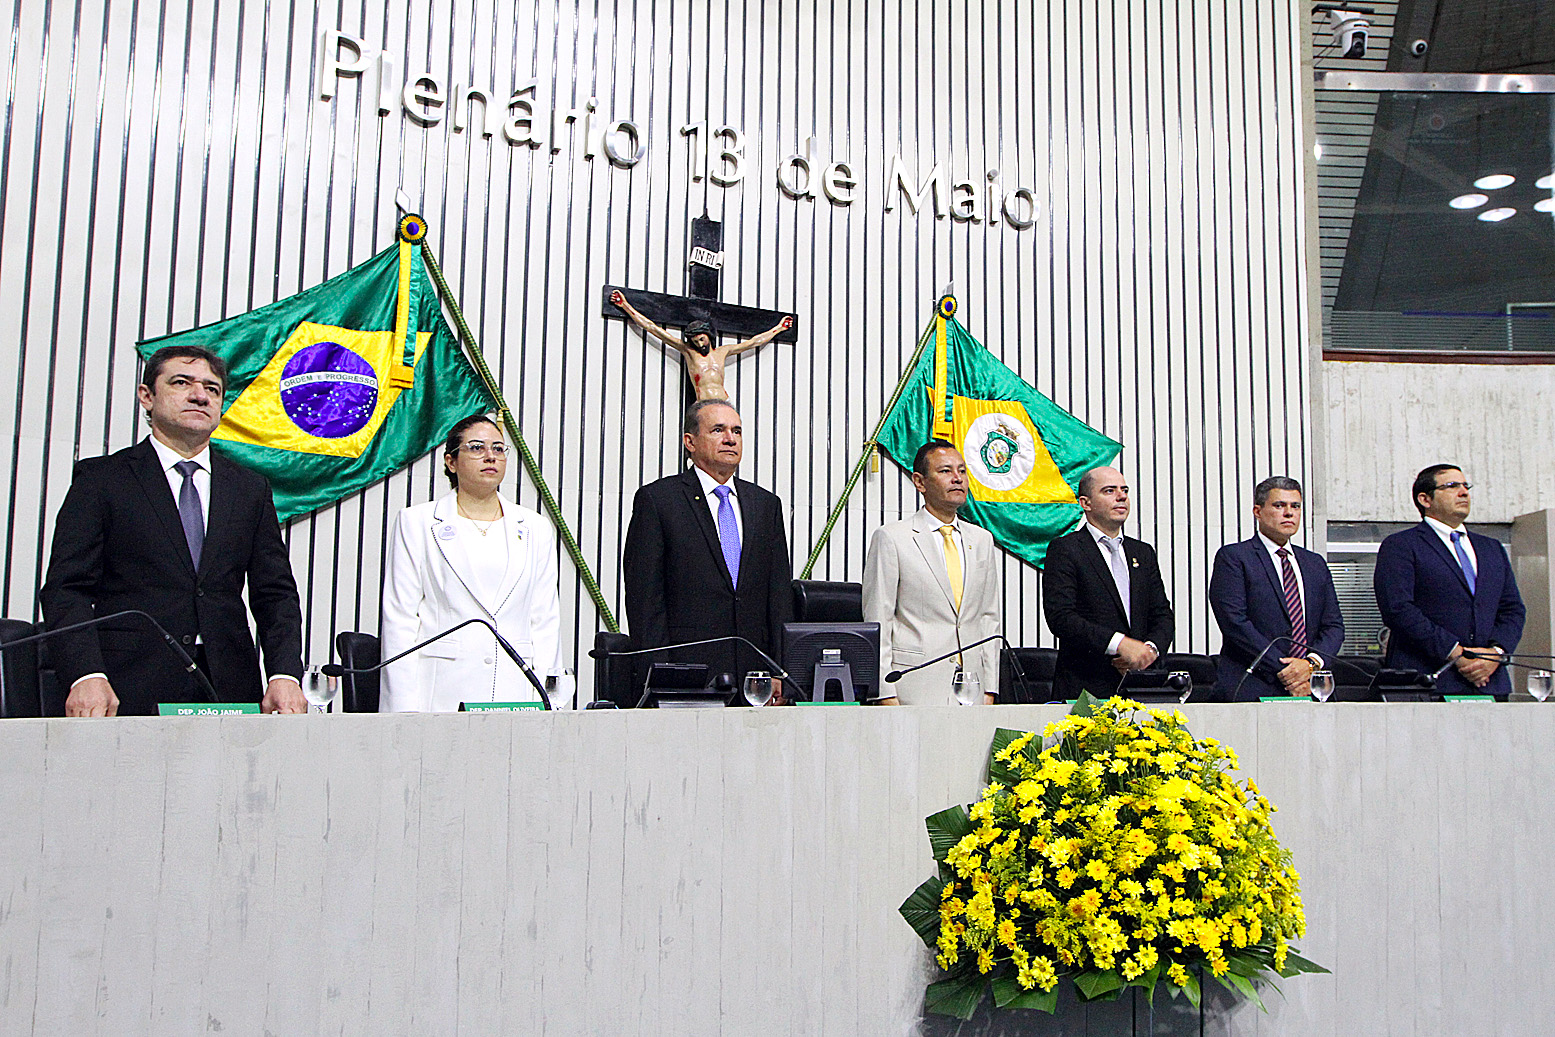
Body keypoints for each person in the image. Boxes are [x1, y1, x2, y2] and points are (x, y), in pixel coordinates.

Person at [39, 345, 305, 716]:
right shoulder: (101, 480)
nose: (200, 395)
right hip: (125, 684)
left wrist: (284, 674)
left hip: (229, 683)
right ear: (147, 396)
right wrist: (85, 674)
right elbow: (67, 589)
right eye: (182, 383)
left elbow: (275, 593)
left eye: (212, 389)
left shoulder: (249, 489)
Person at [379, 414, 568, 711]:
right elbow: (400, 620)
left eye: (498, 448)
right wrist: (403, 711)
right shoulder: (417, 522)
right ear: (451, 462)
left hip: (516, 689)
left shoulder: (535, 527)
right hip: (441, 691)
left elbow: (545, 620)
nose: (490, 456)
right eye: (477, 448)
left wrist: (551, 703)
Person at [622, 399, 794, 694]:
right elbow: (645, 602)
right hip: (686, 676)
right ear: (690, 441)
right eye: (718, 430)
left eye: (737, 431)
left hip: (755, 678)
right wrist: (661, 677)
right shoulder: (659, 501)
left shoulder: (765, 505)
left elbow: (779, 597)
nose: (730, 439)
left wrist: (781, 672)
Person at [863, 440, 1000, 705]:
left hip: (972, 688)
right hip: (913, 686)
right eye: (945, 471)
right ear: (920, 482)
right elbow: (879, 619)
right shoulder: (893, 538)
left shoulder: (982, 539)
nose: (957, 478)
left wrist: (990, 689)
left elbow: (988, 618)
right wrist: (884, 692)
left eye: (962, 470)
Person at [1374, 464, 1525, 699]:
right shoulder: (1402, 546)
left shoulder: (1491, 548)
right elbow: (1398, 609)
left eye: (1466, 486)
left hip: (1488, 681)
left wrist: (1495, 654)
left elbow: (1512, 609)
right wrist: (1455, 652)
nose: (1463, 492)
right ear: (1425, 499)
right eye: (1452, 486)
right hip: (1428, 682)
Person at [1041, 465, 1174, 701]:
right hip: (1086, 690)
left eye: (1124, 490)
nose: (1121, 496)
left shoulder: (1142, 553)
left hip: (1140, 687)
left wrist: (1148, 651)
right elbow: (1061, 617)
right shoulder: (1066, 549)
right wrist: (1119, 644)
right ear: (1086, 503)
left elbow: (1162, 614)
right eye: (1109, 491)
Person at [1209, 476, 1345, 700]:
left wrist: (1310, 665)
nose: (1289, 513)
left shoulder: (1314, 563)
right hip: (1254, 685)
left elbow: (1333, 626)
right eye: (1279, 505)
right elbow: (1235, 623)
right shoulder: (1235, 557)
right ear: (1258, 511)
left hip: (1311, 685)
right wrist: (1290, 673)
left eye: (1295, 506)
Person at [610, 289, 792, 402]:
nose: (699, 343)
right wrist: (625, 305)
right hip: (703, 403)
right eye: (695, 341)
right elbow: (653, 329)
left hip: (724, 401)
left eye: (702, 339)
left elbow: (753, 342)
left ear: (709, 337)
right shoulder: (688, 351)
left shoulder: (723, 351)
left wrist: (778, 328)